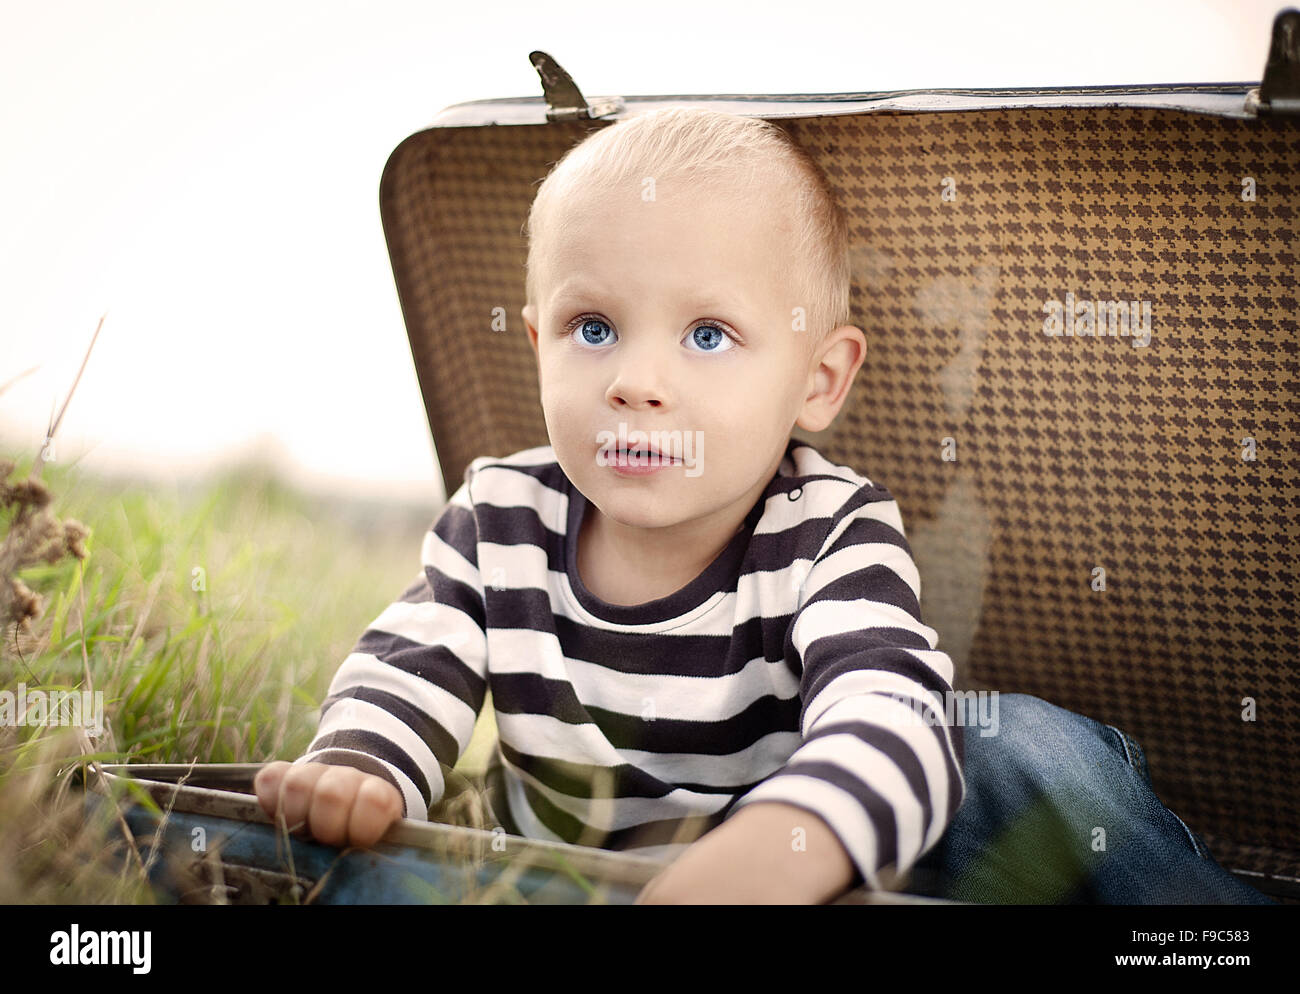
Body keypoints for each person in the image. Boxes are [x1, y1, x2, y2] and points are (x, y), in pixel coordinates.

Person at [254, 107, 1272, 906]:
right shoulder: (500, 516)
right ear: (536, 345)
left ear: (818, 381)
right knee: (379, 872)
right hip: (567, 878)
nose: (636, 381)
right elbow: (410, 666)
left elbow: (890, 713)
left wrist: (788, 847)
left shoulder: (827, 532)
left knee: (1016, 748)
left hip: (814, 868)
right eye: (592, 326)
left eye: (706, 336)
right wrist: (361, 764)